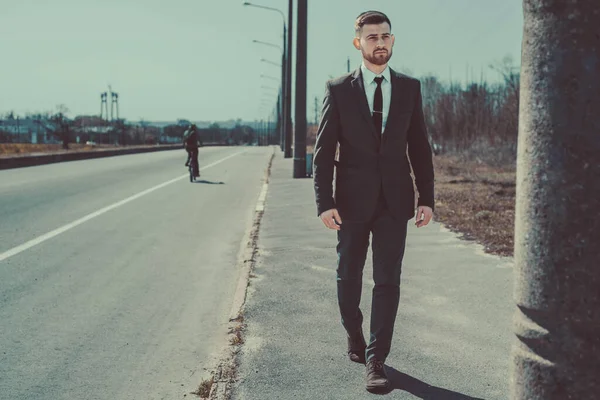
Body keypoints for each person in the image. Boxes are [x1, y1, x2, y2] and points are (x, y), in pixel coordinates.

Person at [312, 10, 435, 394]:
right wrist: (324, 202)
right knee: (348, 275)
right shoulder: (338, 89)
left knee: (388, 281)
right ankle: (354, 332)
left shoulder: (410, 88)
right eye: (371, 37)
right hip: (349, 203)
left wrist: (426, 198)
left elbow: (420, 146)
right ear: (358, 43)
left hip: (394, 202)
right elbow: (323, 152)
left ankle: (376, 359)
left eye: (385, 36)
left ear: (392, 41)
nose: (379, 42)